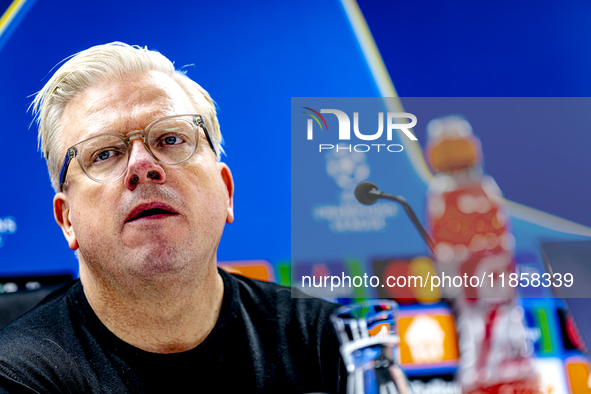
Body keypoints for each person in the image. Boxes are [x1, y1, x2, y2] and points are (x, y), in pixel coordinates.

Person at [0, 42, 344, 393]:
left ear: (226, 191)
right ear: (67, 219)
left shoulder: (328, 343)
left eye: (170, 138)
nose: (141, 166)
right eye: (104, 153)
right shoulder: (18, 377)